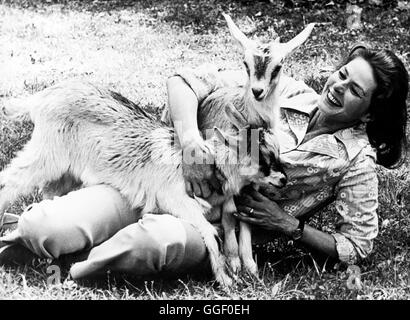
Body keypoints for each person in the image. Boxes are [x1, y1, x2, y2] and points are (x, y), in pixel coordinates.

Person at [0, 44, 408, 280]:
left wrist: (289, 226)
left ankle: (77, 271)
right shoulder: (278, 93)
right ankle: (36, 235)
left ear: (371, 113)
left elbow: (357, 246)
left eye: (354, 89)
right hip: (163, 180)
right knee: (45, 225)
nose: (337, 87)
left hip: (210, 222)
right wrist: (191, 143)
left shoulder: (355, 162)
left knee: (154, 242)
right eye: (341, 74)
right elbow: (184, 82)